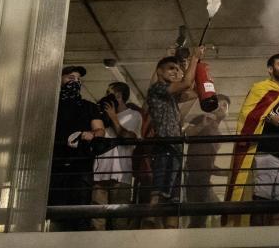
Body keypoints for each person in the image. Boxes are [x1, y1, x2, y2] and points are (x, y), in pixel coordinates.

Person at [226, 54, 279, 227]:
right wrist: (270, 118)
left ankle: (277, 239)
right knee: (262, 198)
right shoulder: (260, 89)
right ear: (270, 69)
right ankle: (258, 238)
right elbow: (248, 115)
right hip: (265, 153)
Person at [145, 54, 199, 228]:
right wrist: (195, 59)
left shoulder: (172, 96)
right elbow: (186, 84)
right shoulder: (157, 89)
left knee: (173, 200)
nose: (175, 71)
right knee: (159, 193)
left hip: (175, 150)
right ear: (159, 71)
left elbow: (195, 92)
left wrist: (187, 67)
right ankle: (149, 229)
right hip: (165, 147)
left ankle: (170, 234)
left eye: (177, 69)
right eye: (171, 68)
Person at [48, 65, 105, 231]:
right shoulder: (50, 105)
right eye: (70, 78)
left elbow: (100, 129)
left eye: (78, 79)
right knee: (56, 213)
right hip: (55, 165)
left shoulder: (89, 106)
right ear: (60, 80)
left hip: (81, 165)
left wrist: (92, 134)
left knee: (80, 212)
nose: (74, 82)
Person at [91, 82, 143, 230]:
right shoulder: (101, 117)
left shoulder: (133, 115)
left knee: (119, 222)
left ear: (119, 96)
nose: (106, 97)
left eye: (110, 94)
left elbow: (128, 138)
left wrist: (114, 117)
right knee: (97, 222)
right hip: (99, 175)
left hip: (121, 177)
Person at [182, 94, 230, 228]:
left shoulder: (218, 133)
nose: (222, 107)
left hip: (203, 178)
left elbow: (207, 161)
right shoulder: (202, 119)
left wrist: (226, 172)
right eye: (219, 103)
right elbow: (187, 134)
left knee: (210, 213)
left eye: (225, 105)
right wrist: (201, 125)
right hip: (194, 177)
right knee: (199, 217)